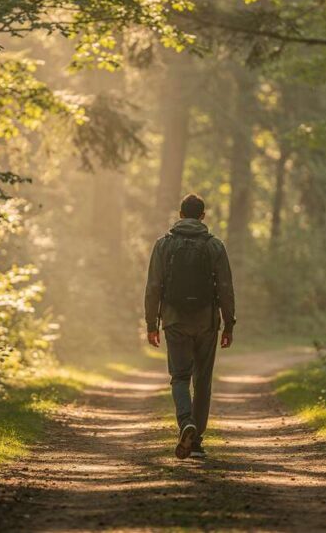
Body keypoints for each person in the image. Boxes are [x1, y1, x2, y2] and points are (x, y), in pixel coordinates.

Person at [144, 193, 236, 460]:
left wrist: (152, 323)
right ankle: (196, 443)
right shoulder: (214, 246)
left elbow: (153, 287)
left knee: (180, 377)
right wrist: (229, 324)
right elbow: (226, 288)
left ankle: (186, 423)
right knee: (203, 381)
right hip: (207, 322)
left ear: (181, 215)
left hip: (174, 320)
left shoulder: (164, 245)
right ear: (203, 216)